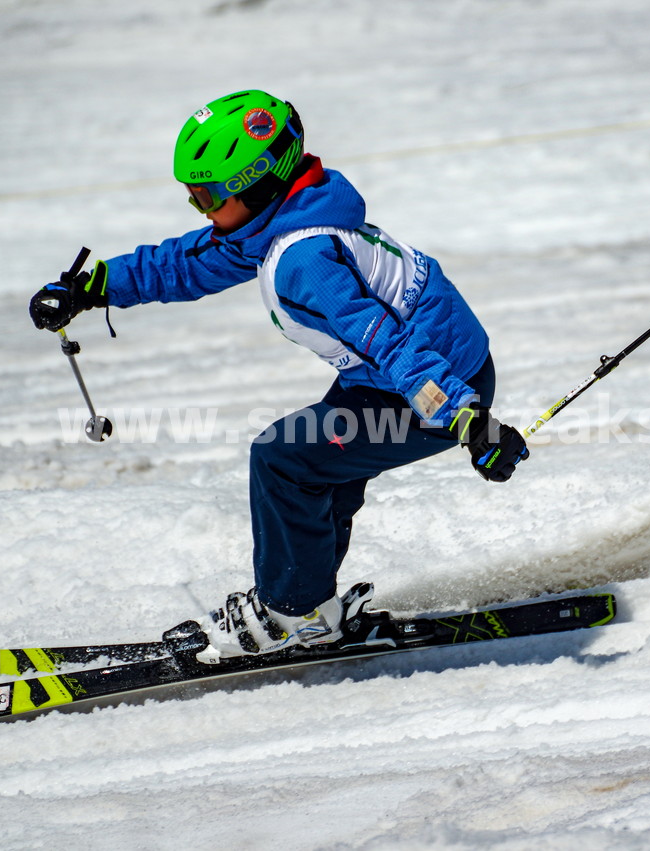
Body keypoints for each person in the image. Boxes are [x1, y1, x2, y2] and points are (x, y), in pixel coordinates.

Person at [29, 90, 528, 662]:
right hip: (408, 379)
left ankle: (293, 614)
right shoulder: (293, 212)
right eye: (193, 195)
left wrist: (468, 421)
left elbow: (389, 342)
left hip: (430, 390)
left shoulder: (302, 261)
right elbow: (188, 262)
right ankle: (310, 607)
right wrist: (94, 285)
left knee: (284, 459)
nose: (200, 207)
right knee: (319, 469)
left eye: (208, 194)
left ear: (259, 183)